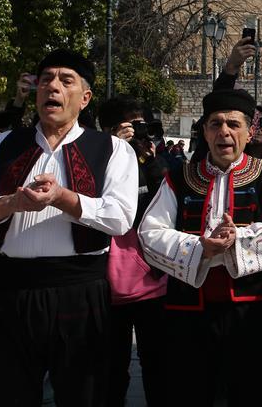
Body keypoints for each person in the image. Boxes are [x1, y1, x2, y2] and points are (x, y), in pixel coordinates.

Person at [0, 49, 139, 406]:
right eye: (46, 79)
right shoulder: (2, 145)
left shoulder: (112, 150)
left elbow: (121, 216)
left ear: (85, 97)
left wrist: (64, 197)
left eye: (66, 81)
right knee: (7, 391)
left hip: (79, 288)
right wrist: (13, 203)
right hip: (12, 289)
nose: (54, 87)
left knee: (84, 394)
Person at [139, 89, 262, 406]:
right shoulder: (180, 176)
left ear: (249, 132)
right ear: (204, 131)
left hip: (256, 313)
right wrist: (200, 247)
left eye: (233, 124)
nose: (224, 132)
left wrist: (237, 241)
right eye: (215, 124)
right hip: (188, 315)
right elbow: (149, 232)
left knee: (260, 394)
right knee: (189, 393)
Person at [97, 95, 168, 407]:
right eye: (132, 125)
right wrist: (112, 152)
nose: (139, 132)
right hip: (105, 284)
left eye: (142, 125)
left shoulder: (150, 161)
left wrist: (148, 160)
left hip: (151, 282)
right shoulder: (96, 157)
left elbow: (162, 203)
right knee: (110, 368)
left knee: (157, 365)